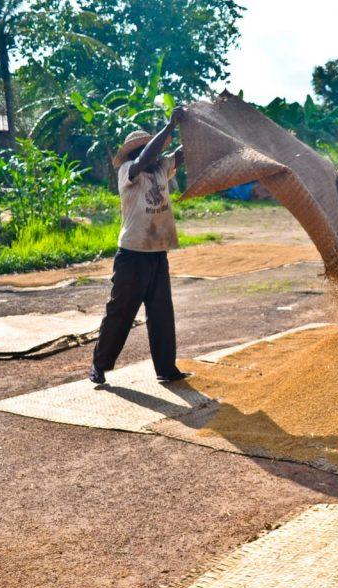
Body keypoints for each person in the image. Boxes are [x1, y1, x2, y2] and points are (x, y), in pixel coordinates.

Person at [89, 107, 191, 385]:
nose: (154, 153)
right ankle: (99, 366)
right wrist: (169, 126)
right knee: (120, 313)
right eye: (148, 148)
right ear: (139, 151)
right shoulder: (128, 171)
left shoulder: (161, 168)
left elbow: (181, 153)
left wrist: (195, 125)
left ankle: (166, 369)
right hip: (132, 255)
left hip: (157, 253)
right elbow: (148, 155)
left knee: (161, 313)